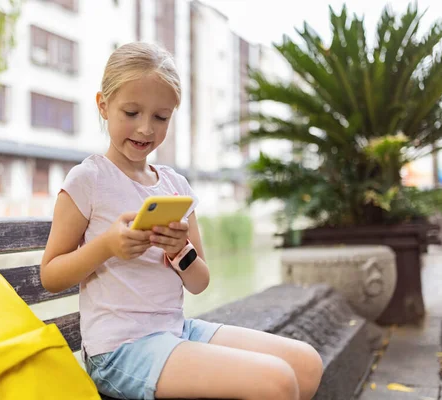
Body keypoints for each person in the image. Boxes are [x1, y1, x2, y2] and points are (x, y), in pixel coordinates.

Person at [40, 42, 323, 400]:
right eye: (131, 112)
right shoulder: (89, 180)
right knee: (277, 382)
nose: (145, 129)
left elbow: (199, 282)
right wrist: (107, 246)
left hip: (175, 330)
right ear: (103, 105)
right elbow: (50, 275)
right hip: (119, 349)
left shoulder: (175, 186)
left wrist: (181, 251)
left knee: (306, 364)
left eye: (160, 117)